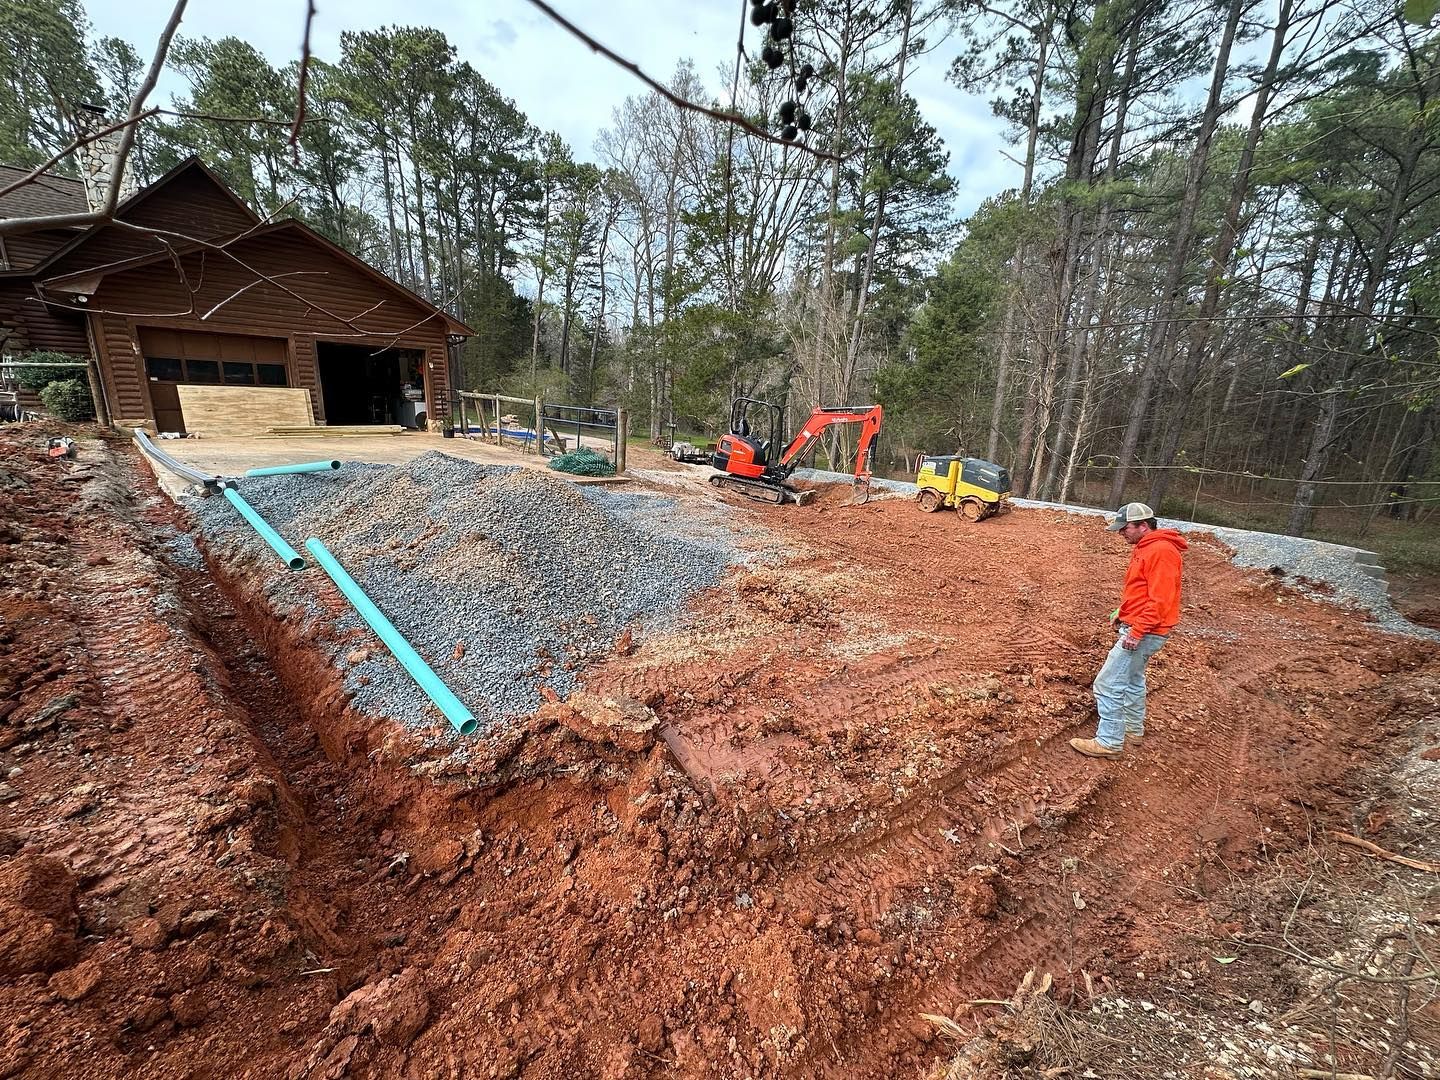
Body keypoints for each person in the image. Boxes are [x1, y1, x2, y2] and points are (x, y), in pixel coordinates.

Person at [1070, 502, 1187, 759]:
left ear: (1143, 526)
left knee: (1107, 685)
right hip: (1141, 625)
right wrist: (1121, 613)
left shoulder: (1161, 552)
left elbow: (1160, 600)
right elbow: (1142, 591)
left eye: (1125, 529)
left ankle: (1110, 741)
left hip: (1145, 631)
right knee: (1133, 680)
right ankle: (1133, 730)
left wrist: (1136, 631)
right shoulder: (1146, 547)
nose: (1121, 533)